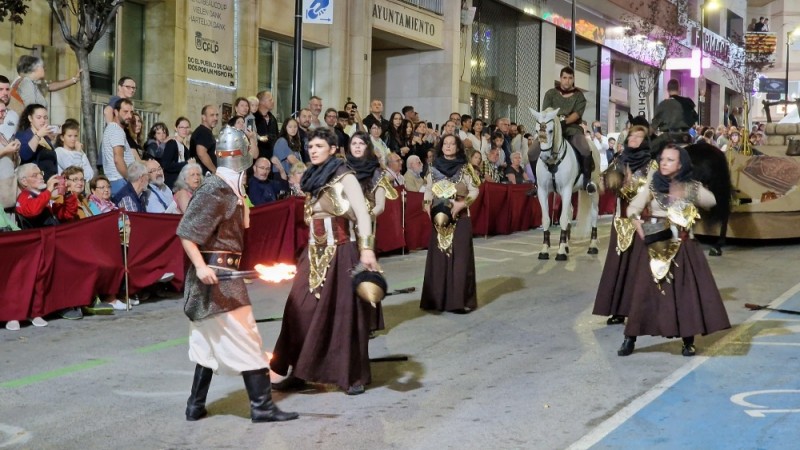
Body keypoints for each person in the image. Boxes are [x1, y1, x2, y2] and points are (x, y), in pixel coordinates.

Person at [177, 125, 298, 423]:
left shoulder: (231, 187)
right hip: (217, 283)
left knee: (207, 342)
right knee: (248, 339)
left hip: (224, 276)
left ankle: (195, 406)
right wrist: (203, 267)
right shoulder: (213, 189)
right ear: (241, 157)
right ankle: (262, 407)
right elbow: (187, 233)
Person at [270, 127, 379, 396]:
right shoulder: (312, 177)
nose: (313, 150)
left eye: (319, 146)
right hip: (313, 252)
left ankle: (352, 375)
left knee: (345, 314)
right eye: (310, 146)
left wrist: (367, 249)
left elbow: (363, 214)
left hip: (342, 249)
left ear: (332, 149)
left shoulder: (345, 175)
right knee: (300, 308)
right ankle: (301, 369)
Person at [616, 144, 731, 357]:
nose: (664, 163)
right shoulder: (652, 185)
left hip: (683, 244)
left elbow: (712, 201)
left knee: (684, 293)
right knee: (643, 293)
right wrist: (637, 223)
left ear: (681, 164)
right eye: (663, 159)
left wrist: (690, 189)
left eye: (670, 160)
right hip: (655, 242)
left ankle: (688, 341)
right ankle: (629, 338)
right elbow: (633, 208)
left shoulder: (691, 185)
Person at [593, 125, 653, 326]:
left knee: (641, 265)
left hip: (643, 220)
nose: (634, 139)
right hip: (621, 219)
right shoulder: (619, 159)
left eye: (639, 136)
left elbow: (653, 191)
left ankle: (643, 309)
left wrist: (629, 184)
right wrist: (603, 182)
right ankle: (618, 310)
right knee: (619, 264)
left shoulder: (652, 163)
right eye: (632, 136)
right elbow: (603, 185)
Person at [345, 131, 398, 334]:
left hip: (366, 229)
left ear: (368, 147)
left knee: (365, 271)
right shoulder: (343, 170)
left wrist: (365, 216)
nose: (357, 147)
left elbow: (381, 206)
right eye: (354, 143)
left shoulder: (377, 172)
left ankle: (367, 322)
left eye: (361, 144)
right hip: (345, 227)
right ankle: (349, 319)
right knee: (347, 271)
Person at [420, 134, 480, 313]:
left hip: (460, 217)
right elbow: (429, 190)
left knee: (460, 259)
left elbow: (474, 190)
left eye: (452, 144)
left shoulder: (466, 168)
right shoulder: (433, 168)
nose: (448, 146)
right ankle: (436, 300)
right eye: (445, 144)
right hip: (439, 217)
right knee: (439, 259)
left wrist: (463, 204)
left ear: (458, 147)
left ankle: (458, 301)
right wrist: (426, 204)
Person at [530, 67, 595, 192]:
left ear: (573, 79)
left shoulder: (579, 95)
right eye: (565, 78)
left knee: (585, 149)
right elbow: (545, 112)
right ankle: (536, 183)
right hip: (550, 129)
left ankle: (587, 181)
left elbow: (577, 114)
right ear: (560, 78)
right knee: (532, 152)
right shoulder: (551, 93)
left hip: (572, 128)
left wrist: (563, 123)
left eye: (570, 78)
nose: (567, 81)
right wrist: (554, 125)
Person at [9, 55, 79, 111]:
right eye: (42, 66)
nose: (45, 69)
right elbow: (31, 110)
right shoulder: (26, 83)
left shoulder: (30, 82)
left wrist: (74, 79)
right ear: (34, 68)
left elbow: (50, 86)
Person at [102, 98, 140, 195]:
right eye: (125, 112)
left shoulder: (114, 129)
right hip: (119, 180)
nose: (129, 116)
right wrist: (130, 179)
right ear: (116, 112)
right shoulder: (116, 131)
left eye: (131, 112)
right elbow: (118, 159)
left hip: (117, 180)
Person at [651, 79, 699, 147]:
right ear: (679, 89)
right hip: (684, 139)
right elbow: (695, 118)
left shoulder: (663, 105)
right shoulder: (688, 103)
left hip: (668, 140)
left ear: (667, 90)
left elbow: (654, 125)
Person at [16, 103, 59, 180]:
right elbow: (25, 155)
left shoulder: (46, 137)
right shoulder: (23, 135)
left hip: (50, 182)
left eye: (45, 118)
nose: (43, 121)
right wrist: (38, 136)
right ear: (30, 118)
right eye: (39, 117)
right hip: (34, 181)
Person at [161, 117, 192, 189]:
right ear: (176, 128)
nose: (185, 130)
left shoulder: (185, 149)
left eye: (187, 127)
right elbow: (167, 165)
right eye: (181, 127)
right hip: (172, 184)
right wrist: (186, 163)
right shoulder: (172, 143)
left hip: (181, 184)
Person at [189, 105, 219, 175]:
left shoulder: (206, 132)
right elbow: (201, 153)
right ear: (204, 117)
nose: (215, 118)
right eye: (212, 115)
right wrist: (214, 170)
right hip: (203, 176)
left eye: (217, 115)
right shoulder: (203, 132)